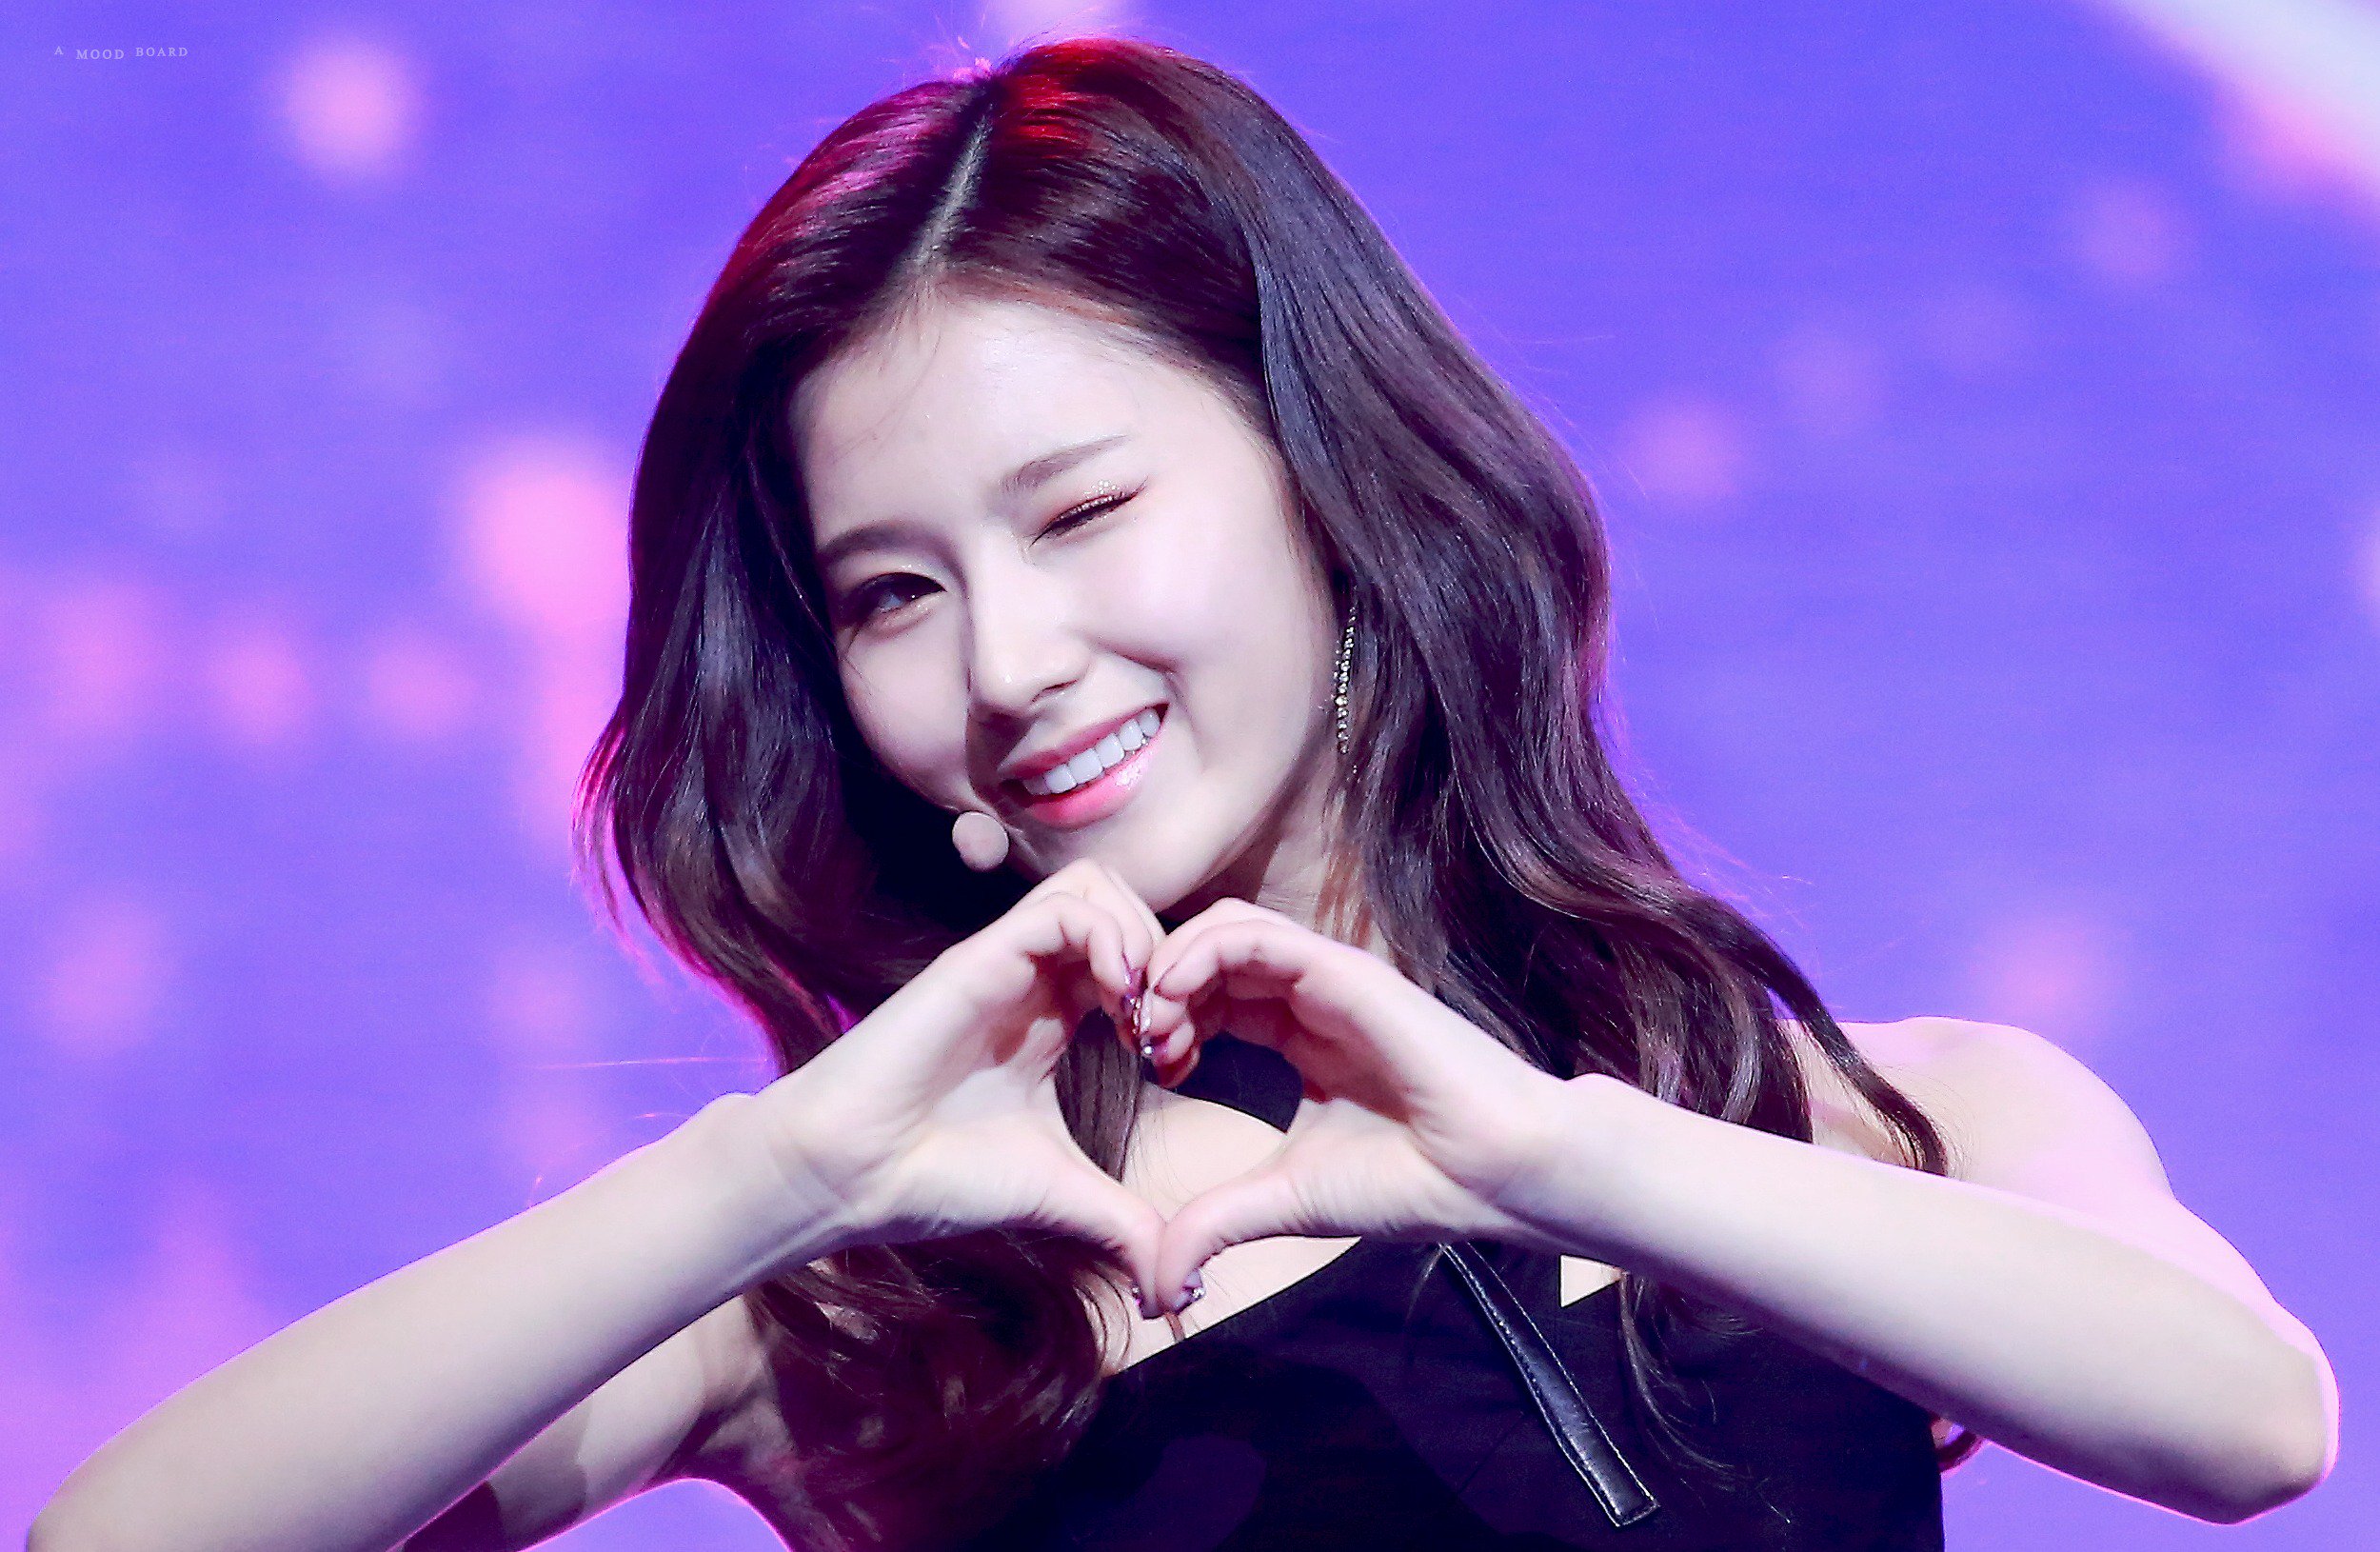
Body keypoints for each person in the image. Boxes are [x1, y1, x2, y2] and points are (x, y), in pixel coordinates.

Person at [31, 34, 2337, 1552]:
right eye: (892, 591)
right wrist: (779, 1166)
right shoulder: (887, 1299)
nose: (1006, 663)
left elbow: (2242, 1420)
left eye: (1080, 512)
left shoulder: (1850, 1112)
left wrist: (1554, 1154)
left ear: (1330, 482)